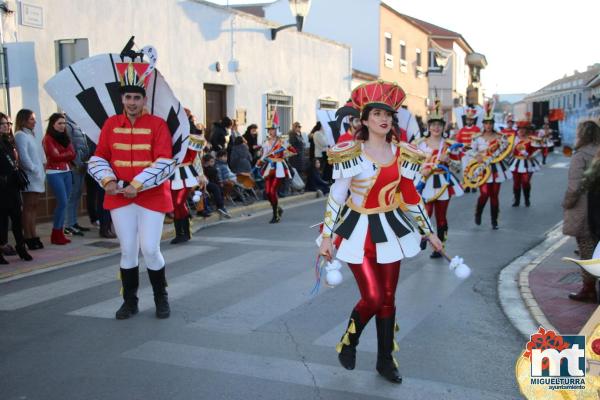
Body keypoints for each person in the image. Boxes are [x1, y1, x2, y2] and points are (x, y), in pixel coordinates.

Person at [318, 80, 442, 384]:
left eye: (388, 114)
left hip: (390, 229)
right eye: (376, 114)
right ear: (364, 119)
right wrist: (325, 236)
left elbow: (411, 196)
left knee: (388, 298)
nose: (383, 119)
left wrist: (430, 232)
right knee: (372, 297)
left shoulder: (404, 153)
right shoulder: (350, 152)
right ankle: (350, 339)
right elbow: (337, 194)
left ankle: (386, 360)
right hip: (357, 230)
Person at [87, 59, 176, 320]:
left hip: (151, 196)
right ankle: (130, 301)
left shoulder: (158, 125)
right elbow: (99, 156)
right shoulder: (110, 124)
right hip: (119, 197)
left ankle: (161, 298)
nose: (132, 102)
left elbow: (164, 161)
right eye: (128, 97)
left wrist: (137, 185)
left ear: (144, 98)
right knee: (127, 250)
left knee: (149, 248)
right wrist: (108, 181)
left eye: (137, 97)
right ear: (122, 98)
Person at [414, 100, 464, 258]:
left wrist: (448, 160)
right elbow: (411, 164)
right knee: (425, 214)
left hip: (443, 183)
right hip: (425, 182)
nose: (436, 128)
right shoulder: (419, 144)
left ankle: (439, 247)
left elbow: (458, 168)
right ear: (428, 127)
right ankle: (424, 237)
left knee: (441, 218)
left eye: (439, 125)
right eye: (433, 124)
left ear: (443, 127)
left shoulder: (449, 145)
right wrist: (423, 168)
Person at [562, 120, 600, 302]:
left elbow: (574, 187)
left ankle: (589, 288)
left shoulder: (580, 156)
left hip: (584, 208)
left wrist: (567, 203)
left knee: (586, 248)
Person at [169, 109, 206, 244]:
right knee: (175, 204)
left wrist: (200, 175)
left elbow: (195, 159)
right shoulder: (170, 135)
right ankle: (180, 233)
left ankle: (186, 232)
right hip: (173, 173)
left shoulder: (192, 137)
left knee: (179, 202)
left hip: (187, 172)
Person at [0, 112, 32, 263]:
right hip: (1, 188)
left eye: (8, 123)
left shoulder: (8, 141)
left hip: (13, 187)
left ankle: (21, 246)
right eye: (3, 124)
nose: (7, 126)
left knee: (16, 218)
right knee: (2, 221)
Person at [14, 109, 45, 250]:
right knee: (28, 207)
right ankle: (28, 236)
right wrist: (34, 169)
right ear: (24, 120)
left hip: (37, 176)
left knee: (34, 207)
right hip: (30, 177)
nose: (35, 121)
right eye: (32, 119)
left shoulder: (30, 135)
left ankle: (33, 234)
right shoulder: (20, 135)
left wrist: (39, 170)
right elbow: (24, 157)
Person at [43, 113, 76, 245]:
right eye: (59, 123)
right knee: (62, 202)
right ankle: (56, 233)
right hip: (54, 172)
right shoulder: (48, 138)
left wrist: (64, 154)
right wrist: (66, 154)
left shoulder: (65, 137)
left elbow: (73, 154)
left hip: (67, 171)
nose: (63, 126)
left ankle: (59, 233)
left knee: (64, 203)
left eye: (64, 123)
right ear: (53, 124)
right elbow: (54, 156)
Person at [257, 122, 296, 223]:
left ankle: (275, 215)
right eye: (269, 129)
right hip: (268, 167)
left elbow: (293, 151)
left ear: (276, 130)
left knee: (272, 190)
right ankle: (278, 208)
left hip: (279, 168)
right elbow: (264, 155)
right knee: (268, 192)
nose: (271, 131)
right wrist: (260, 161)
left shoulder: (282, 141)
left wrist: (283, 154)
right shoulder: (266, 141)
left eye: (272, 129)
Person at [64, 116, 91, 236]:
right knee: (72, 195)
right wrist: (76, 162)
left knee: (77, 194)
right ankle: (68, 225)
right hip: (75, 165)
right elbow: (69, 146)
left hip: (82, 164)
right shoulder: (68, 125)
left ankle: (73, 223)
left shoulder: (78, 123)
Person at [508, 120, 541, 207]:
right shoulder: (514, 139)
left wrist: (532, 155)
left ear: (527, 130)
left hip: (527, 163)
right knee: (516, 183)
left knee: (526, 181)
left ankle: (527, 199)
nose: (521, 131)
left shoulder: (532, 138)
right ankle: (517, 200)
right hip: (516, 162)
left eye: (523, 129)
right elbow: (510, 150)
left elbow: (538, 149)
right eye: (520, 129)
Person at [454, 108, 481, 193]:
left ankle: (473, 185)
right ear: (465, 120)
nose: (469, 121)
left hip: (474, 153)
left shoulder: (477, 129)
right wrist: (460, 149)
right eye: (468, 119)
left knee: (473, 169)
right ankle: (467, 185)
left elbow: (479, 142)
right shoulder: (461, 130)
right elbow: (458, 141)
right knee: (465, 169)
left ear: (473, 120)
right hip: (464, 153)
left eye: (471, 119)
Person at [202, 153, 231, 218]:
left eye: (213, 161)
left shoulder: (212, 167)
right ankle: (220, 206)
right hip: (206, 184)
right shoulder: (207, 168)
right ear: (207, 162)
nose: (213, 163)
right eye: (211, 162)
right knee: (216, 188)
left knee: (220, 189)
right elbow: (212, 173)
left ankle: (221, 207)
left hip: (212, 183)